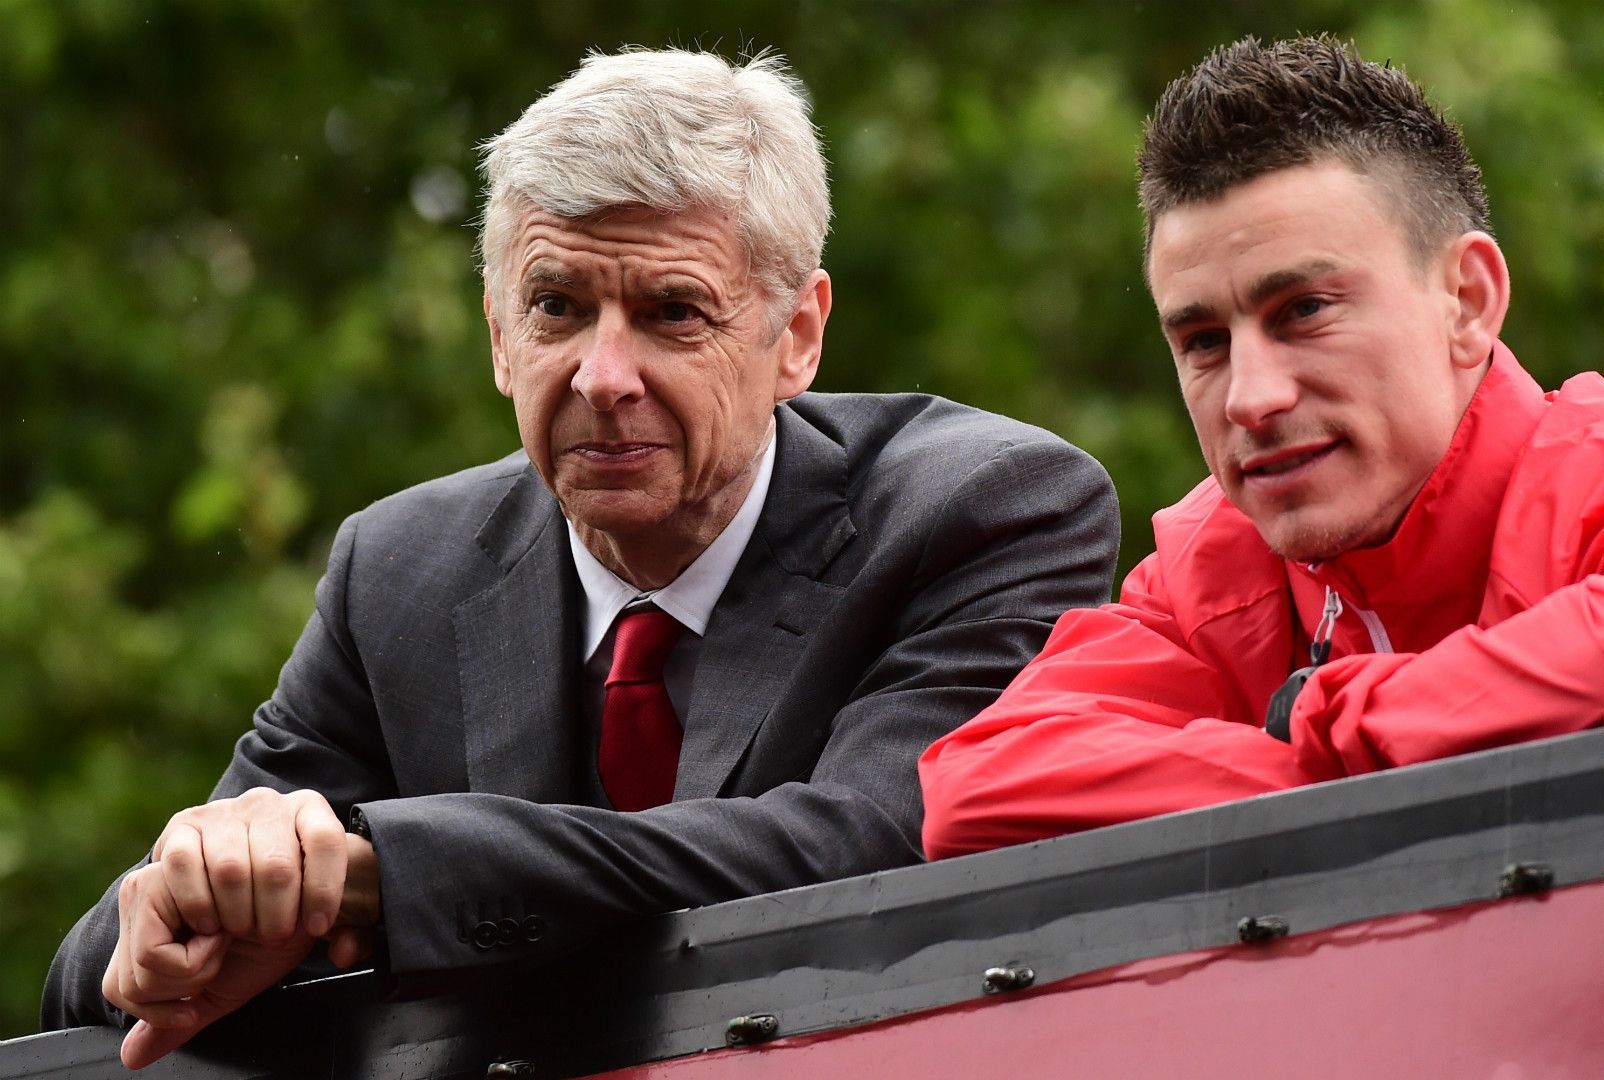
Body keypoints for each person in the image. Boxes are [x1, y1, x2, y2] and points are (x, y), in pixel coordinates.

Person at [44, 47, 1119, 1066]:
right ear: (499, 336)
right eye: (557, 307)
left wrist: (381, 873)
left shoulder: (985, 511)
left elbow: (866, 849)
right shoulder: (400, 573)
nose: (604, 376)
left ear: (796, 334)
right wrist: (190, 897)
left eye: (671, 312)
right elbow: (95, 986)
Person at [917, 35, 1604, 860]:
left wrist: (1329, 718)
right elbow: (980, 787)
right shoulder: (1213, 566)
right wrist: (1339, 767)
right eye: (1204, 341)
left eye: (1305, 310)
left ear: (1467, 301)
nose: (1251, 397)